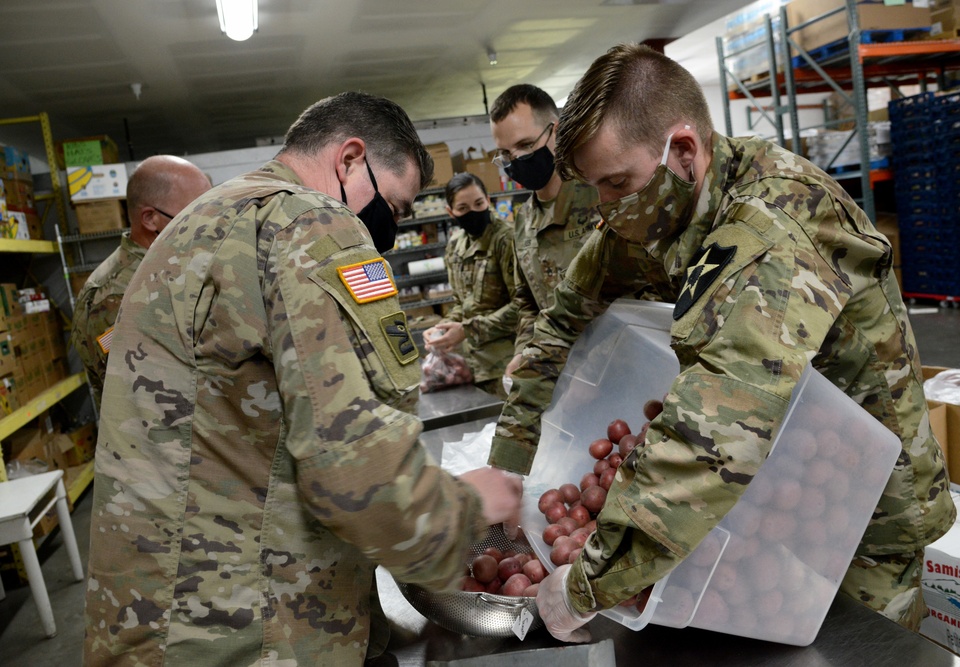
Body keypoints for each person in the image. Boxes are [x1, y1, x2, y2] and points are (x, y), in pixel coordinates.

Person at [490, 44, 955, 641]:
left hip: (857, 504)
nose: (605, 209)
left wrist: (587, 582)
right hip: (766, 492)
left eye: (615, 183)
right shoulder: (658, 203)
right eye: (595, 188)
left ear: (683, 150)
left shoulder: (775, 218)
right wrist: (511, 459)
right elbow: (561, 322)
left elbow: (717, 429)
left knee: (854, 644)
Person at [84, 91, 522, 666]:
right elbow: (349, 459)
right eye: (393, 203)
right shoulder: (311, 221)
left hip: (164, 611)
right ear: (348, 159)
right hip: (249, 623)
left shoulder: (205, 220)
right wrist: (463, 511)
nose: (388, 228)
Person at [69, 155, 212, 410]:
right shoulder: (116, 296)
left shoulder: (168, 271)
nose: (209, 223)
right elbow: (146, 402)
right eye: (196, 212)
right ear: (150, 219)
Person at [488, 84, 600, 372]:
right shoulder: (524, 220)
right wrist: (524, 353)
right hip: (559, 371)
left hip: (616, 364)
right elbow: (526, 302)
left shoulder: (600, 196)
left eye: (526, 146)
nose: (516, 161)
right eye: (505, 153)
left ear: (556, 131)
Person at [422, 172, 518, 397]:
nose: (473, 212)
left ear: (489, 200)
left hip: (509, 364)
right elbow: (462, 304)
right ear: (451, 212)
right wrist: (443, 330)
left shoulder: (506, 240)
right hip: (470, 366)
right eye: (463, 208)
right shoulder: (456, 245)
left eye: (478, 203)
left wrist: (467, 330)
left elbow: (525, 307)